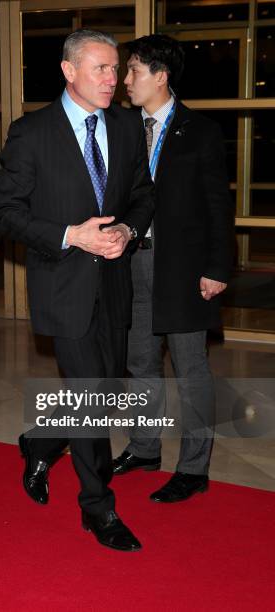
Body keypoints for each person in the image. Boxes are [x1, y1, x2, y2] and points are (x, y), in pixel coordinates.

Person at [0, 29, 154, 552]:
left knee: (105, 392)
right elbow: (7, 214)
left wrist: (127, 231)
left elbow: (142, 197)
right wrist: (71, 236)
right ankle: (98, 508)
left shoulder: (128, 128)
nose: (114, 80)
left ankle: (39, 443)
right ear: (69, 71)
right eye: (101, 69)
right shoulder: (31, 132)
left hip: (114, 282)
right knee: (90, 399)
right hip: (64, 285)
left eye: (116, 69)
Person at [113, 34, 234, 502]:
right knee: (139, 362)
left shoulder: (199, 131)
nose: (126, 81)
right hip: (132, 265)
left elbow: (218, 206)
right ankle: (144, 449)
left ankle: (193, 468)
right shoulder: (121, 128)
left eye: (134, 72)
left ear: (160, 76)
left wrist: (217, 267)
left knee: (190, 368)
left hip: (184, 271)